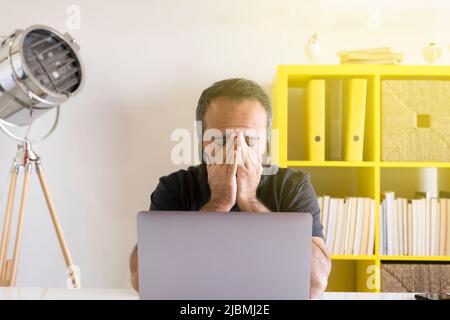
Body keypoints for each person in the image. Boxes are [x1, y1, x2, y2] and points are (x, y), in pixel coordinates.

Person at [130, 78, 331, 298]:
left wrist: (250, 201)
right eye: (222, 139)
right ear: (202, 140)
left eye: (250, 140)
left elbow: (315, 282)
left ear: (266, 141)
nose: (237, 151)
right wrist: (218, 203)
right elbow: (143, 279)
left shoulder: (292, 186)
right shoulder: (174, 187)